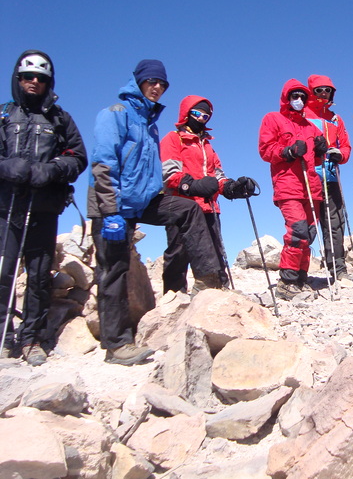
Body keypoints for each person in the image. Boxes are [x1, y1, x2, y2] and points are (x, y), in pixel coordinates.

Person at [89, 60, 224, 366]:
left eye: (162, 84)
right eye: (151, 81)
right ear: (137, 82)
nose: (158, 87)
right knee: (114, 270)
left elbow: (151, 172)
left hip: (142, 201)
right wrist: (109, 211)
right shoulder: (116, 115)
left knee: (187, 209)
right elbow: (103, 163)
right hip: (112, 204)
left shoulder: (148, 123)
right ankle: (117, 345)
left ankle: (208, 280)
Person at [0, 50, 87, 365]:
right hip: (6, 208)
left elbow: (78, 157)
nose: (34, 81)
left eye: (41, 77)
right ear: (18, 79)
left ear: (49, 81)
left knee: (38, 276)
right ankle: (3, 338)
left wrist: (50, 170)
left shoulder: (59, 118)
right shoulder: (4, 115)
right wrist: (8, 168)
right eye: (28, 76)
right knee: (3, 272)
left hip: (44, 208)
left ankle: (31, 339)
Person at [160, 95, 258, 293]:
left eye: (206, 116)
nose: (201, 119)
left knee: (214, 250)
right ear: (186, 114)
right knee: (179, 254)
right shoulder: (173, 138)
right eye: (197, 113)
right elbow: (170, 174)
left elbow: (218, 177)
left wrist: (233, 188)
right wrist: (194, 186)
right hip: (181, 205)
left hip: (209, 207)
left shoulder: (208, 146)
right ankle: (172, 300)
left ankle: (217, 292)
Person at [258, 79, 326, 300]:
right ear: (286, 98)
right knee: (297, 231)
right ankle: (286, 281)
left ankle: (300, 277)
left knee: (310, 233)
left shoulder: (310, 126)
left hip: (311, 186)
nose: (299, 100)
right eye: (294, 96)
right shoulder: (273, 119)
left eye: (302, 97)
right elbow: (266, 149)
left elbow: (315, 158)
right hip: (288, 184)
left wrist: (321, 150)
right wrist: (288, 151)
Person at [305, 75, 352, 283]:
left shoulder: (335, 119)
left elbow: (346, 146)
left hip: (331, 176)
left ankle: (338, 269)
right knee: (306, 223)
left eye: (327, 90)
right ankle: (298, 271)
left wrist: (340, 154)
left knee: (335, 223)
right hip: (308, 176)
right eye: (319, 90)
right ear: (311, 92)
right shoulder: (302, 115)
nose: (324, 94)